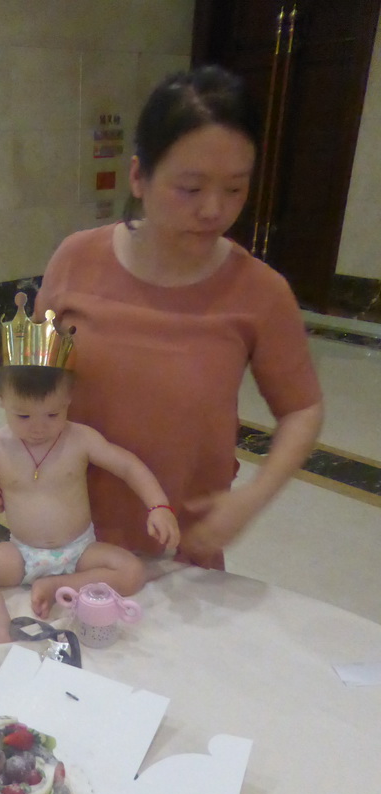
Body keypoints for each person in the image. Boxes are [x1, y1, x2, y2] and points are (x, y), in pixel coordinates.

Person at [32, 65, 323, 570]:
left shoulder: (260, 292)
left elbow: (302, 409)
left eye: (235, 189)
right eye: (190, 188)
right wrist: (12, 448)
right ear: (139, 176)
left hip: (180, 550)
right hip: (64, 536)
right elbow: (35, 371)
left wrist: (252, 498)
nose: (215, 210)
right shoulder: (76, 259)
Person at [0, 364, 180, 644]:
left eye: (53, 414)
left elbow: (127, 466)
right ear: (0, 397)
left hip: (80, 550)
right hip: (23, 553)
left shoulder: (80, 438)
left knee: (133, 571)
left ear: (69, 396)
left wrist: (158, 506)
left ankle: (58, 585)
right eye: (23, 415)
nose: (38, 428)